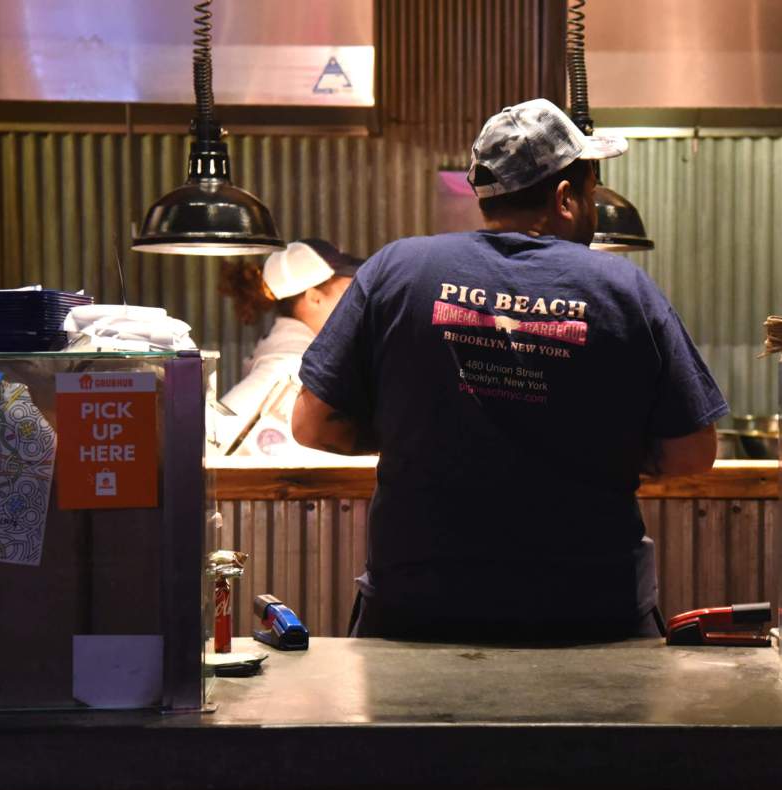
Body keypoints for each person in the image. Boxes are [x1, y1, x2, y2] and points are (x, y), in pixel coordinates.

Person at [293, 98, 728, 641]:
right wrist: (587, 446)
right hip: (590, 618)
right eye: (591, 193)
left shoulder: (396, 269)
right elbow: (691, 452)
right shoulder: (623, 288)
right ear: (566, 197)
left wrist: (429, 437)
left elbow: (314, 424)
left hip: (417, 611)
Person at [218, 239, 362, 423]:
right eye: (349, 291)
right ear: (314, 298)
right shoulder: (290, 364)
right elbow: (214, 429)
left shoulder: (298, 357)